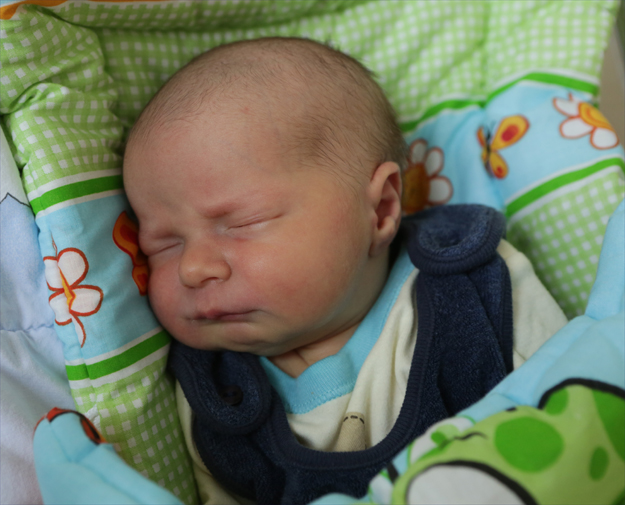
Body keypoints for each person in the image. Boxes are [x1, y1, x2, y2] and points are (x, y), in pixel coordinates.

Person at [123, 37, 567, 505]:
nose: (193, 268)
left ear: (380, 209)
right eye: (163, 244)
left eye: (242, 223)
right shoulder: (214, 396)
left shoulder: (472, 289)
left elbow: (575, 408)